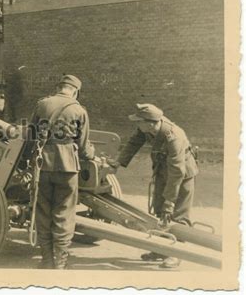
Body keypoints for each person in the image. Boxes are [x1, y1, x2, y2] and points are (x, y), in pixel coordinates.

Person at [111, 103, 199, 268]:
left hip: (182, 175)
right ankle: (160, 249)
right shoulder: (147, 127)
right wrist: (118, 162)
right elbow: (133, 143)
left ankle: (176, 253)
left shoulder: (173, 137)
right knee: (159, 211)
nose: (137, 124)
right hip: (162, 169)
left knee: (177, 214)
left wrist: (170, 201)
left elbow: (177, 172)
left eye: (139, 121)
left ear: (151, 123)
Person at [28, 74, 95, 269]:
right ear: (75, 91)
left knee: (43, 213)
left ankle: (47, 260)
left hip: (43, 167)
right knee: (64, 213)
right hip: (68, 168)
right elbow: (83, 147)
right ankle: (60, 262)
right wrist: (92, 155)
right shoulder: (78, 110)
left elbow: (31, 136)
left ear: (59, 87)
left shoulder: (42, 105)